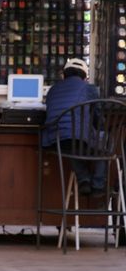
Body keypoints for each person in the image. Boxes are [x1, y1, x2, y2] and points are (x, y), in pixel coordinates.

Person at [41, 58, 103, 196]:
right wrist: (102, 129)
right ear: (85, 76)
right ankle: (98, 185)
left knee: (71, 143)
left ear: (64, 74)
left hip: (55, 140)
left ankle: (84, 179)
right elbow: (98, 117)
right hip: (77, 139)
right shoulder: (89, 89)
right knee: (103, 141)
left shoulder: (53, 89)